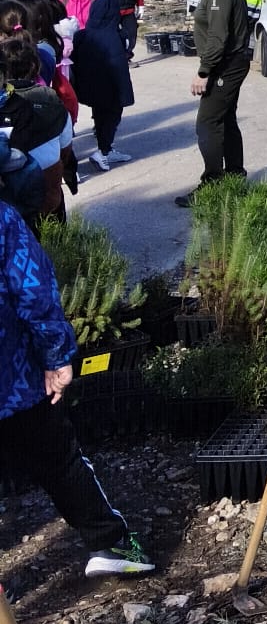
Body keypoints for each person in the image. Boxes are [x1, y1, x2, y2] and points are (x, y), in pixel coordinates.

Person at [0, 195, 152, 575]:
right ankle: (110, 543)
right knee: (58, 459)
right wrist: (55, 356)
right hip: (13, 378)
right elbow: (32, 288)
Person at [176, 0, 252, 206]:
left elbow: (219, 36)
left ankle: (212, 187)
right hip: (232, 62)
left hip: (226, 65)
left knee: (207, 123)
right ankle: (234, 178)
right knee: (225, 120)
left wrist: (204, 70)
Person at [1, 37, 70, 224]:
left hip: (10, 205)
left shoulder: (5, 103)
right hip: (49, 201)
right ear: (35, 67)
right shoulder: (52, 102)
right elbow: (65, 150)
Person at [69, 0, 134, 171]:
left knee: (99, 116)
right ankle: (103, 152)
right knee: (111, 117)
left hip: (91, 87)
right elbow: (121, 62)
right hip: (111, 87)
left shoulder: (82, 35)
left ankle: (105, 149)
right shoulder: (115, 36)